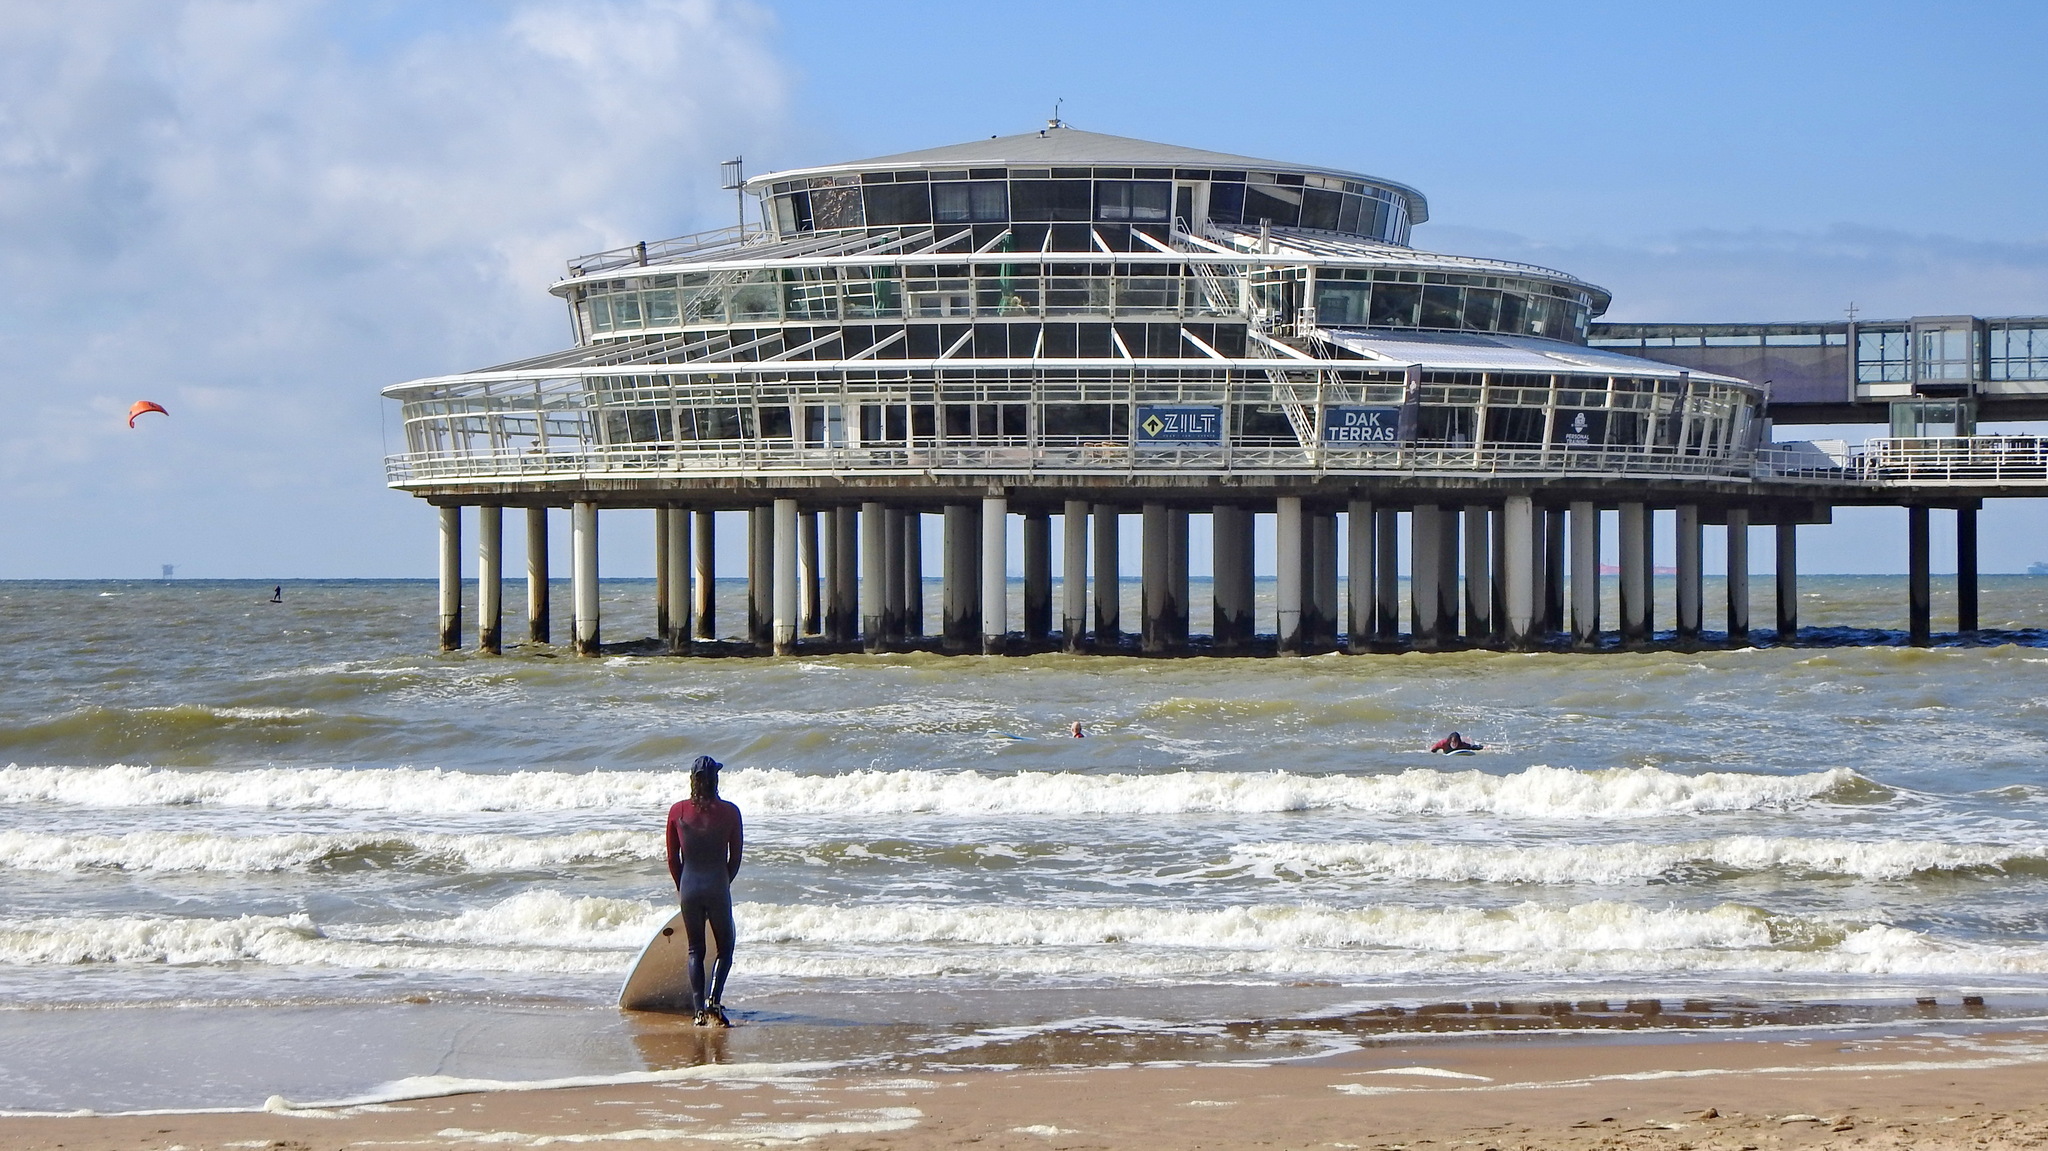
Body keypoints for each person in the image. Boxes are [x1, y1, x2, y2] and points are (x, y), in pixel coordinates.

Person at [665, 755, 744, 1026]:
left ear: (692, 780)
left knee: (695, 950)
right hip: (717, 885)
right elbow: (735, 858)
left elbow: (672, 859)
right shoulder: (731, 812)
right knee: (726, 948)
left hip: (689, 887)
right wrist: (723, 881)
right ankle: (715, 1000)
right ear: (715, 780)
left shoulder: (677, 812)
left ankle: (698, 1011)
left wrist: (682, 886)